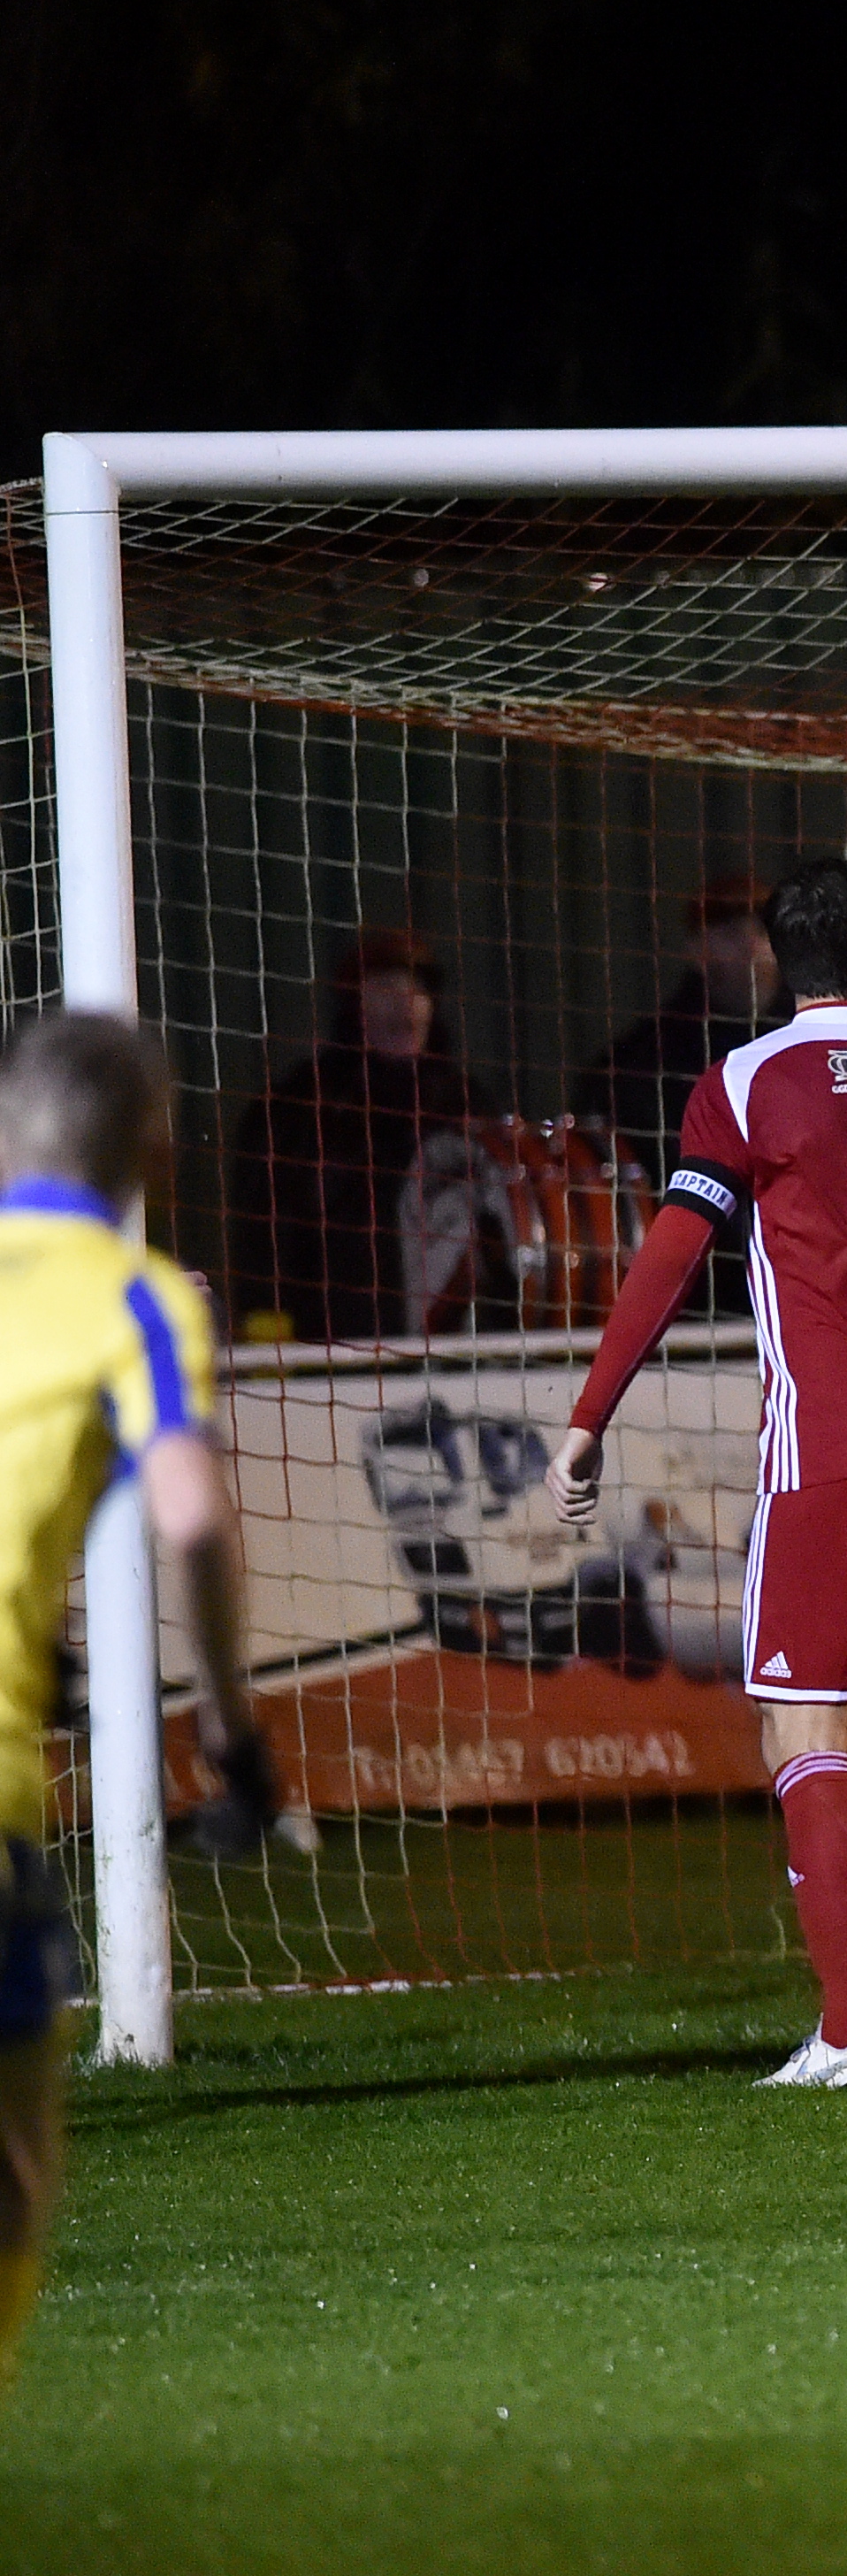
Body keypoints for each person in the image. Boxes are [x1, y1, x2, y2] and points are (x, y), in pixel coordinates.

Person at [546, 860, 847, 2087]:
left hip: (833, 1457)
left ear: (772, 961)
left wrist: (591, 1412)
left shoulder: (742, 1083)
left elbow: (669, 1255)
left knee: (804, 1725)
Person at [4, 1012, 277, 2391]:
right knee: (16, 2165)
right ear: (155, 1146)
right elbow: (191, 1512)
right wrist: (230, 1730)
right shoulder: (133, 1291)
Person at [225, 928, 493, 1342]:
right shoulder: (298, 1105)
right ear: (355, 1003)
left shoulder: (462, 1103)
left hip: (445, 1348)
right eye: (386, 987)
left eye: (417, 990)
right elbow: (263, 1241)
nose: (405, 1004)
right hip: (331, 1350)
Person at [581, 875, 782, 1175]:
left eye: (763, 934)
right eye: (731, 936)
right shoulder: (638, 1067)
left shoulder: (811, 1040)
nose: (752, 952)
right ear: (696, 950)